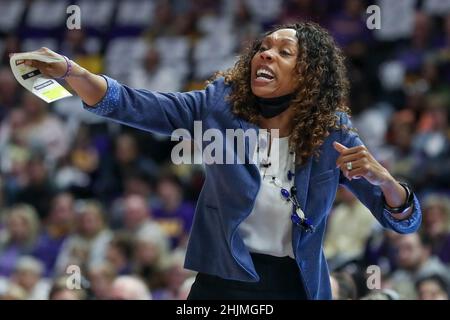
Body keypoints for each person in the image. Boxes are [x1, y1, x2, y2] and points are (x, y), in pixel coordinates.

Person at [15, 22, 422, 300]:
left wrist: (387, 182)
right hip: (225, 277)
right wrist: (70, 71)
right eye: (263, 49)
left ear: (309, 74)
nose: (266, 55)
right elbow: (134, 104)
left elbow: (403, 219)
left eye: (284, 52)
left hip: (295, 283)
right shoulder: (218, 107)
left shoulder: (332, 132)